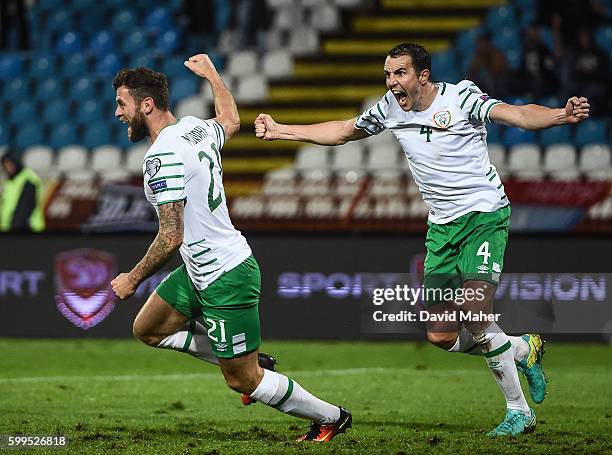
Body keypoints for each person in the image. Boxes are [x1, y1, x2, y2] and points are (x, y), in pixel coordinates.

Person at [254, 43, 590, 436]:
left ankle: (519, 412)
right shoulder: (389, 108)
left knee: (476, 314)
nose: (391, 81)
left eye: (399, 73)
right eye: (387, 74)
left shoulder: (461, 96)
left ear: (422, 76)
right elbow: (345, 131)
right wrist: (281, 131)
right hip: (442, 226)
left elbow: (515, 114)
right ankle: (521, 349)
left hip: (483, 215)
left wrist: (558, 116)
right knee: (441, 335)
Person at [109, 55, 351, 442]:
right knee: (148, 328)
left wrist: (132, 279)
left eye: (122, 103)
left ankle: (331, 416)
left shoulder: (160, 158)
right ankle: (254, 359)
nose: (118, 112)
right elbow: (232, 121)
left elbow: (170, 236)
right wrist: (213, 76)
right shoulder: (194, 130)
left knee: (242, 380)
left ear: (146, 105)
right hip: (197, 271)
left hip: (224, 274)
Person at [0, 152, 45, 232]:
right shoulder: (9, 182)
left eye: (10, 164)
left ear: (16, 162)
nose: (8, 168)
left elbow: (24, 209)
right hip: (8, 229)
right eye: (5, 165)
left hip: (27, 229)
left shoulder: (29, 179)